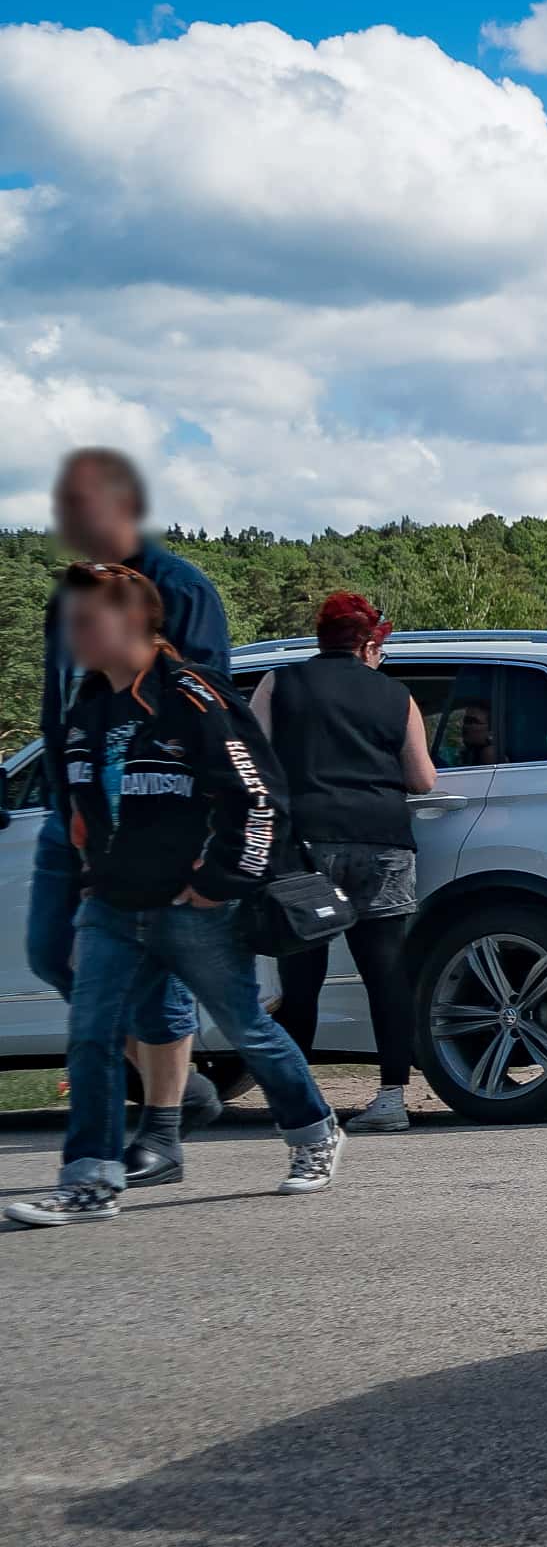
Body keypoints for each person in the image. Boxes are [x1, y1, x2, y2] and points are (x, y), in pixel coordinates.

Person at [7, 564, 342, 1226]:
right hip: (110, 906)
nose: (70, 632)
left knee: (248, 1027)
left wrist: (218, 883)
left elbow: (259, 797)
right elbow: (82, 804)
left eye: (85, 618)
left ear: (132, 621)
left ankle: (315, 1131)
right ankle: (91, 1182)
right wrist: (89, 877)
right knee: (92, 1035)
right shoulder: (87, 706)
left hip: (195, 908)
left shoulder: (193, 694)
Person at [27, 447, 233, 1173]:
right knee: (50, 952)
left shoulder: (181, 587)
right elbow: (60, 706)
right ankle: (178, 1089)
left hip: (149, 808)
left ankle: (164, 1131)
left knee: (154, 966)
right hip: (73, 806)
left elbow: (205, 704)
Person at [249, 592, 438, 1133]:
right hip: (381, 842)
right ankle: (391, 1100)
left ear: (320, 635)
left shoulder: (279, 684)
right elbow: (423, 779)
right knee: (386, 975)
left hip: (305, 845)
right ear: (370, 641)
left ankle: (300, 1103)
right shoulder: (395, 696)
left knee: (301, 977)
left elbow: (251, 760)